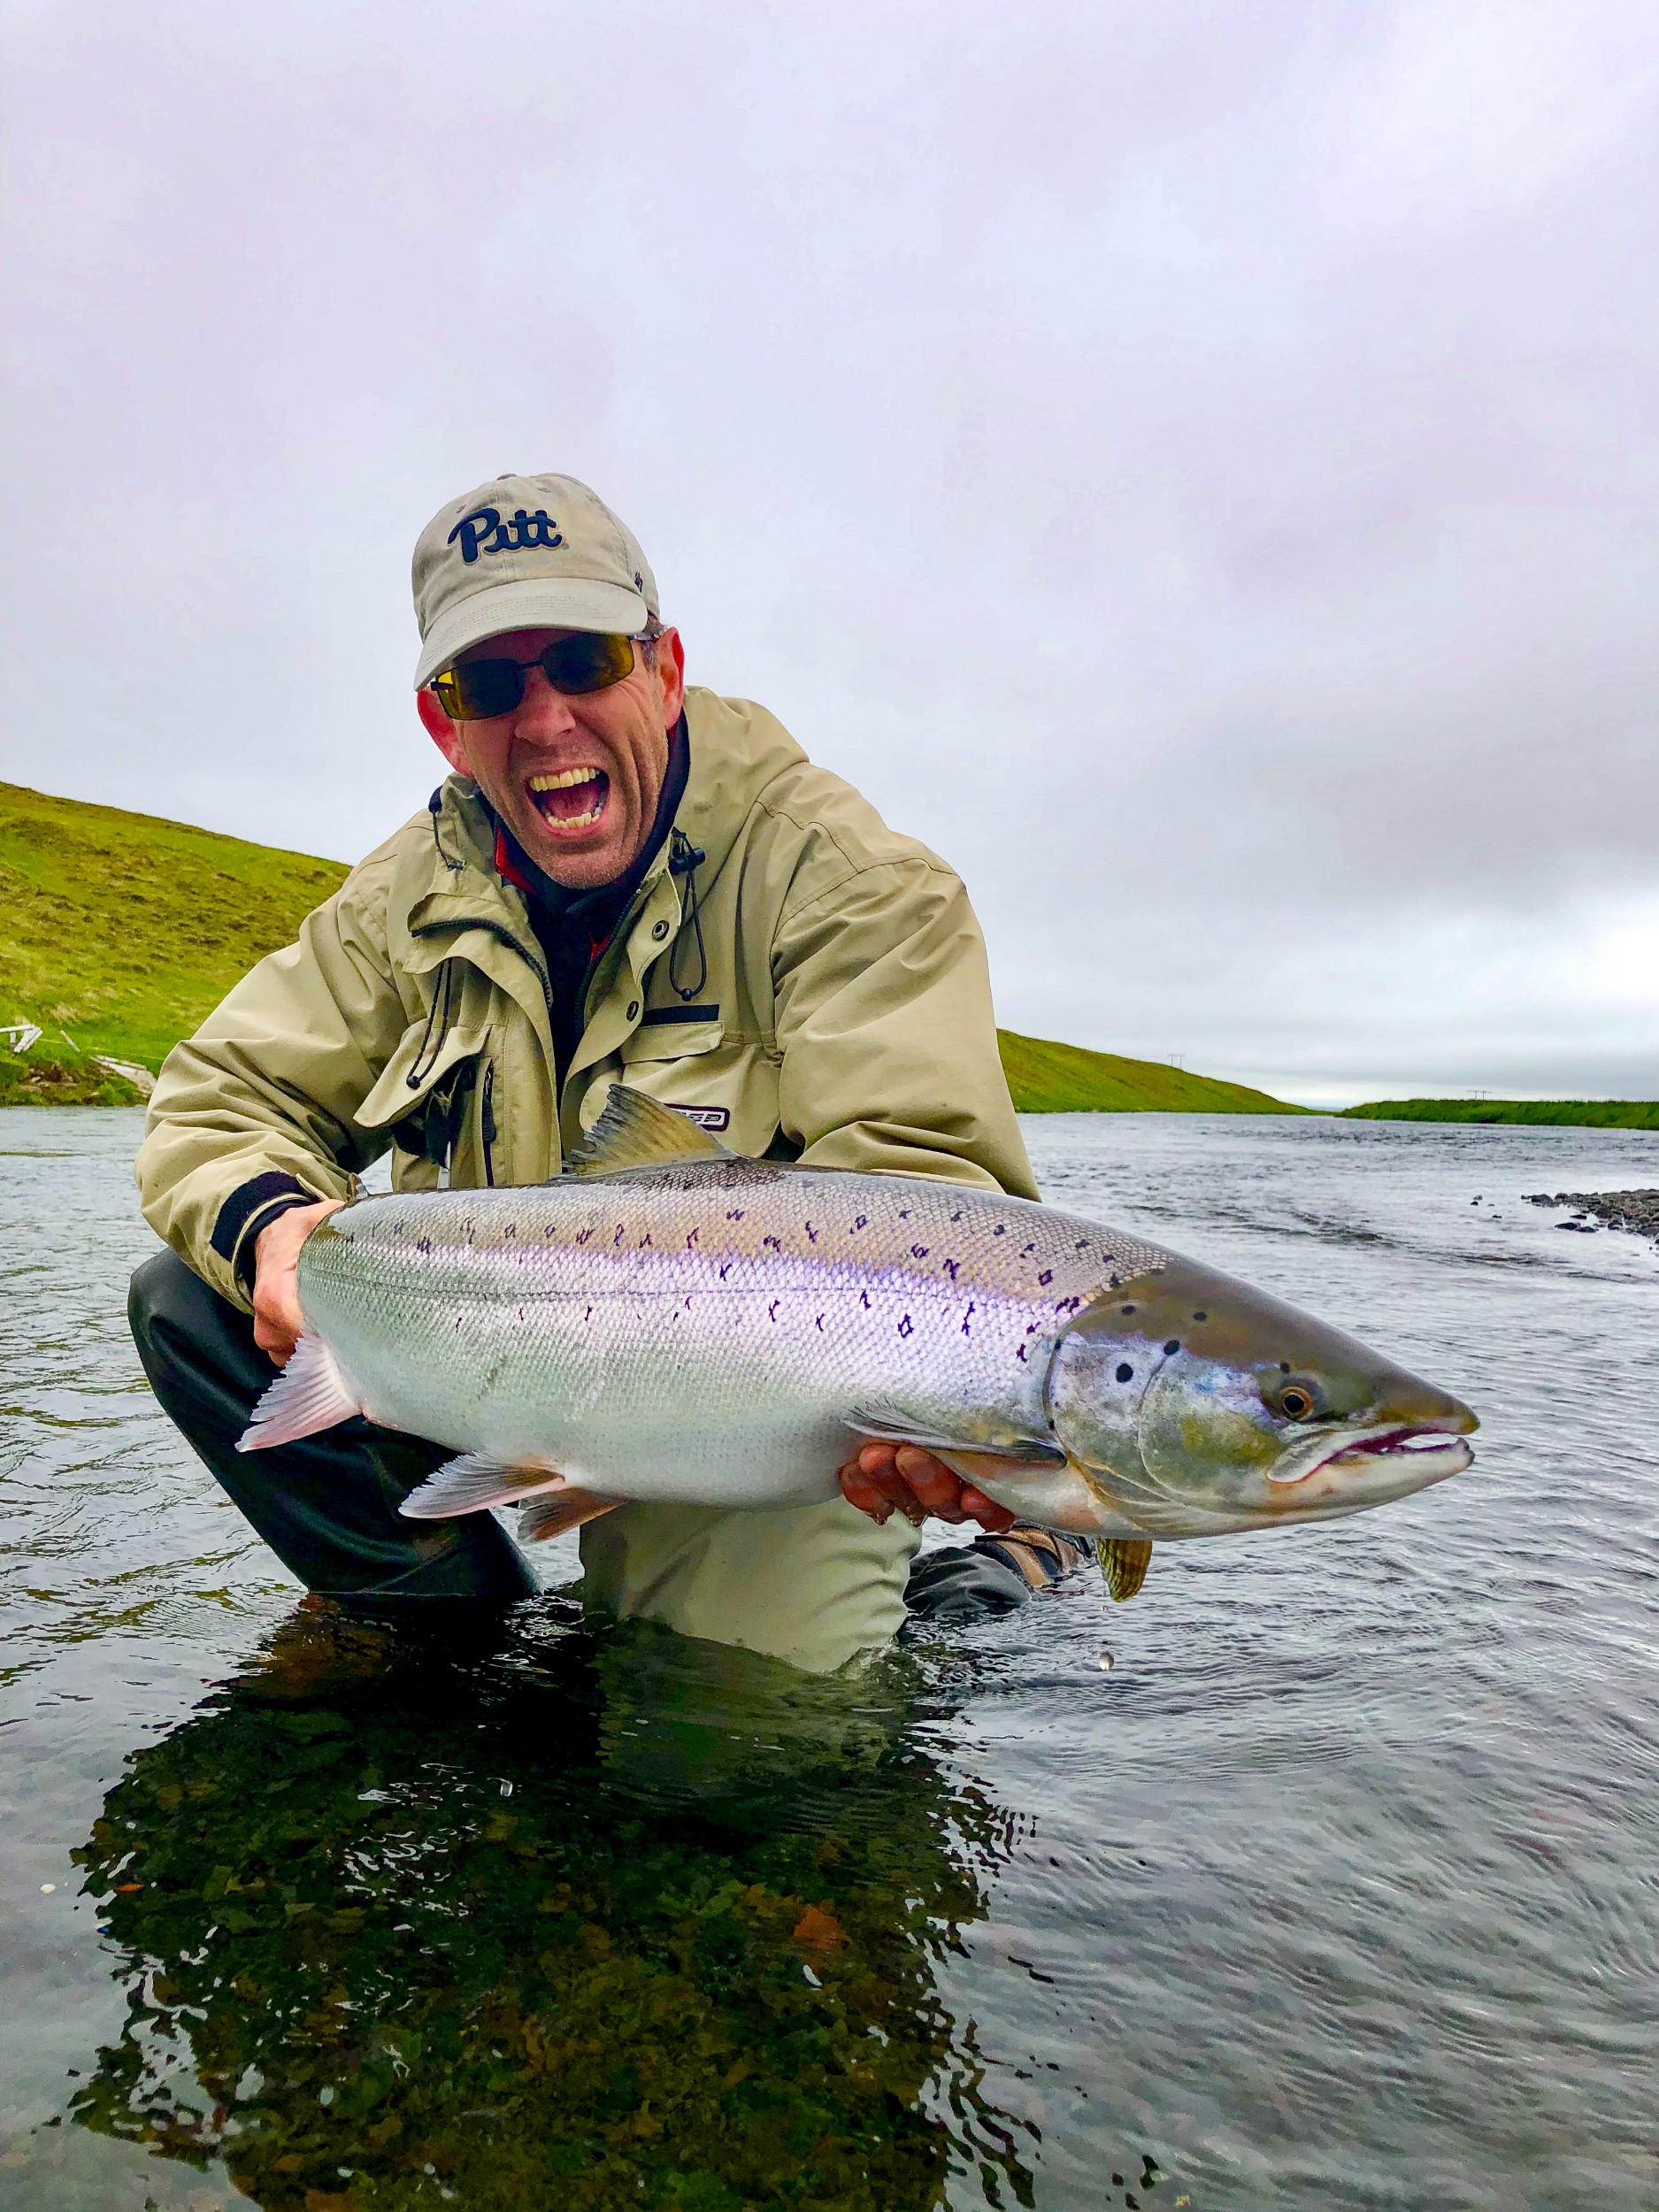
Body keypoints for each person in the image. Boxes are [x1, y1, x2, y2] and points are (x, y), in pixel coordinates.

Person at [128, 472, 1088, 1672]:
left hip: (758, 1414)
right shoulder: (406, 897)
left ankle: (1002, 1572)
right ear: (445, 724)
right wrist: (272, 1231)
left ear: (665, 669)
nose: (542, 722)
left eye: (581, 663)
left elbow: (923, 1193)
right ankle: (467, 1641)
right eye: (487, 685)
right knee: (187, 1297)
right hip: (491, 1353)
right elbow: (218, 1099)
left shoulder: (849, 878)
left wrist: (949, 1425)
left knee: (744, 1757)